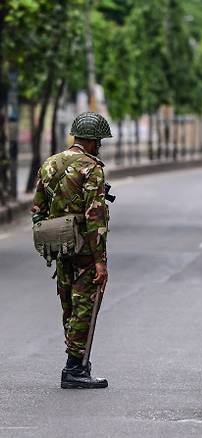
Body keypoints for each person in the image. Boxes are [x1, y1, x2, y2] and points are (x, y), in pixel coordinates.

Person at [32, 112, 112, 389]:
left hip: (59, 244)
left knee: (68, 303)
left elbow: (37, 210)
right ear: (91, 141)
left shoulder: (50, 163)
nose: (99, 145)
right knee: (85, 306)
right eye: (99, 141)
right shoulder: (91, 168)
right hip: (83, 247)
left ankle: (76, 361)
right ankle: (74, 368)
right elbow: (95, 217)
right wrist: (100, 260)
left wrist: (50, 237)